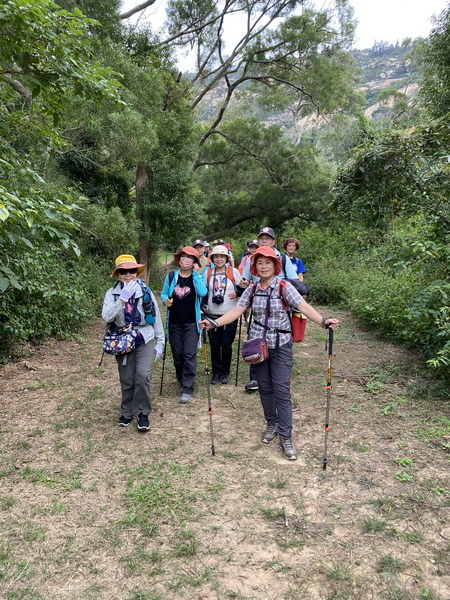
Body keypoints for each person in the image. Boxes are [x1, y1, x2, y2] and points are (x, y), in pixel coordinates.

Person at [200, 246, 339, 461]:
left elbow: (303, 306)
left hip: (281, 344)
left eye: (268, 262)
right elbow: (237, 311)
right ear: (254, 267)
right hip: (258, 345)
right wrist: (214, 323)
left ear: (276, 266)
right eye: (260, 263)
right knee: (264, 387)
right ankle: (271, 422)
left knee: (281, 391)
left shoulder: (285, 287)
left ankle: (286, 435)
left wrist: (323, 321)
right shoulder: (252, 290)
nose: (264, 266)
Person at [102, 254, 165, 430]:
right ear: (118, 274)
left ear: (136, 272)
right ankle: (127, 412)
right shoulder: (112, 293)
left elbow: (156, 316)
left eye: (131, 270)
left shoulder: (146, 291)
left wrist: (161, 340)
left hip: (144, 337)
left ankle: (143, 413)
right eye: (123, 271)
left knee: (143, 375)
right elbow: (106, 316)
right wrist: (122, 299)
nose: (128, 274)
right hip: (122, 339)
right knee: (127, 378)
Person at [241, 227, 298, 393]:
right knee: (256, 336)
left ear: (274, 241)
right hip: (257, 299)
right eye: (261, 238)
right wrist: (244, 286)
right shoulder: (253, 258)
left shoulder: (283, 258)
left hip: (279, 302)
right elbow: (245, 277)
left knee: (277, 338)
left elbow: (294, 280)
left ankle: (276, 375)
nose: (264, 241)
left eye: (268, 238)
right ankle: (256, 378)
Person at [161, 246, 208, 403]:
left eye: (189, 258)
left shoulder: (196, 277)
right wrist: (165, 300)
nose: (185, 260)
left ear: (194, 261)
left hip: (191, 323)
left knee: (188, 355)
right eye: (183, 257)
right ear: (179, 259)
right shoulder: (171, 276)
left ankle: (188, 387)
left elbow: (203, 293)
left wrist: (196, 274)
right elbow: (163, 293)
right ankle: (181, 379)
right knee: (178, 355)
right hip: (174, 322)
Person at [202, 245, 242, 384]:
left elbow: (243, 289)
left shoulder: (233, 271)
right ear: (212, 258)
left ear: (226, 258)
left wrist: (236, 293)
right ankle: (216, 372)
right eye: (216, 256)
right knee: (214, 344)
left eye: (222, 256)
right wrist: (203, 304)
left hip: (229, 314)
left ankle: (225, 372)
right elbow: (204, 291)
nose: (219, 259)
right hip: (212, 314)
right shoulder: (208, 273)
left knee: (226, 344)